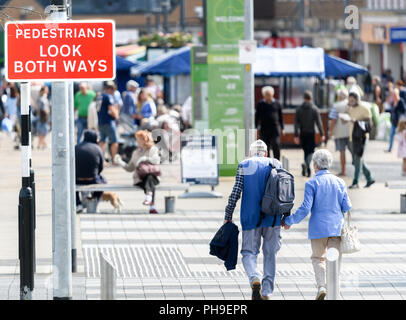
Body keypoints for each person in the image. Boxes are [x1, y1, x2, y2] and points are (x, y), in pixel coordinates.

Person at [282, 149, 352, 300]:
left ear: (315, 165)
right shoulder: (340, 182)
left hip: (318, 229)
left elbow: (305, 208)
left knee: (318, 258)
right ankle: (335, 292)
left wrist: (289, 221)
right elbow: (347, 206)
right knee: (334, 261)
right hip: (336, 228)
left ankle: (321, 286)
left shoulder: (312, 183)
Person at [223, 140, 283, 300]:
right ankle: (267, 291)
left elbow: (236, 192)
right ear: (266, 153)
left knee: (249, 252)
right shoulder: (276, 164)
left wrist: (228, 215)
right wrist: (286, 217)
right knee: (270, 254)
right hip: (273, 217)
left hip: (251, 217)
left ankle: (254, 277)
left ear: (250, 153)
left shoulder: (245, 164)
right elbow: (284, 192)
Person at [114, 130, 161, 214]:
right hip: (139, 179)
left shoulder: (152, 149)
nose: (137, 141)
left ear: (145, 139)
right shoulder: (135, 153)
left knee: (149, 177)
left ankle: (149, 197)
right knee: (149, 182)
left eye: (139, 139)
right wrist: (120, 162)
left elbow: (156, 161)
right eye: (137, 139)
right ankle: (151, 205)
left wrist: (145, 159)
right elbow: (130, 168)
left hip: (153, 177)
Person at [347, 92, 375, 189]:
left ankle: (355, 181)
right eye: (349, 100)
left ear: (357, 99)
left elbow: (370, 124)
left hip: (361, 137)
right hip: (352, 137)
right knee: (357, 160)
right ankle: (369, 178)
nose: (350, 102)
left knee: (358, 159)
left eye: (352, 100)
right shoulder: (350, 109)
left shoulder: (365, 109)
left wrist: (357, 121)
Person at [294, 90, 325, 177]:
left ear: (303, 98)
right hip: (311, 132)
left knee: (305, 151)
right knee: (311, 151)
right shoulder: (314, 109)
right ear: (311, 98)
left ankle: (305, 165)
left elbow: (296, 123)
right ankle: (307, 164)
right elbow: (319, 122)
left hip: (303, 132)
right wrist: (322, 134)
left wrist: (296, 135)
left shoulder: (299, 109)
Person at [75, 130, 105, 213]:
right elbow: (101, 167)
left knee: (71, 185)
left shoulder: (76, 147)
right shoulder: (98, 149)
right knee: (104, 181)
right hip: (92, 179)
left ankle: (78, 204)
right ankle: (93, 201)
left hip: (77, 179)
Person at [255, 86, 284, 160]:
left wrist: (282, 128)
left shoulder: (277, 103)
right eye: (266, 94)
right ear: (263, 95)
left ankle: (277, 161)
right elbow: (257, 117)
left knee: (276, 144)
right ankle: (267, 162)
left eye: (269, 94)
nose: (268, 96)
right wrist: (256, 128)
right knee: (265, 146)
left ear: (272, 94)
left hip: (275, 128)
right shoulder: (260, 104)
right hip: (264, 129)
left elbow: (281, 116)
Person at [328, 88, 350, 176]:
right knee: (354, 152)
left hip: (339, 133)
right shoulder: (351, 104)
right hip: (350, 132)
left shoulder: (336, 106)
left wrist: (330, 131)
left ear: (340, 96)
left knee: (342, 151)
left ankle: (343, 171)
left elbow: (333, 120)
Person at [98, 81, 119, 164]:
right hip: (109, 121)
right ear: (110, 89)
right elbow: (111, 108)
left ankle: (101, 160)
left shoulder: (99, 96)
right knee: (114, 141)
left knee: (102, 141)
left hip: (100, 121)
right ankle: (114, 160)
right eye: (113, 90)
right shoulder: (108, 96)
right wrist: (116, 116)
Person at [387, 88, 406, 152]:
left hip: (400, 122)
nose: (394, 96)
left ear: (397, 94)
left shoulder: (401, 101)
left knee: (401, 136)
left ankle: (402, 149)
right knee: (391, 135)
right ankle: (390, 148)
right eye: (393, 95)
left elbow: (404, 110)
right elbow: (391, 111)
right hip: (393, 121)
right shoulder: (393, 102)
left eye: (395, 94)